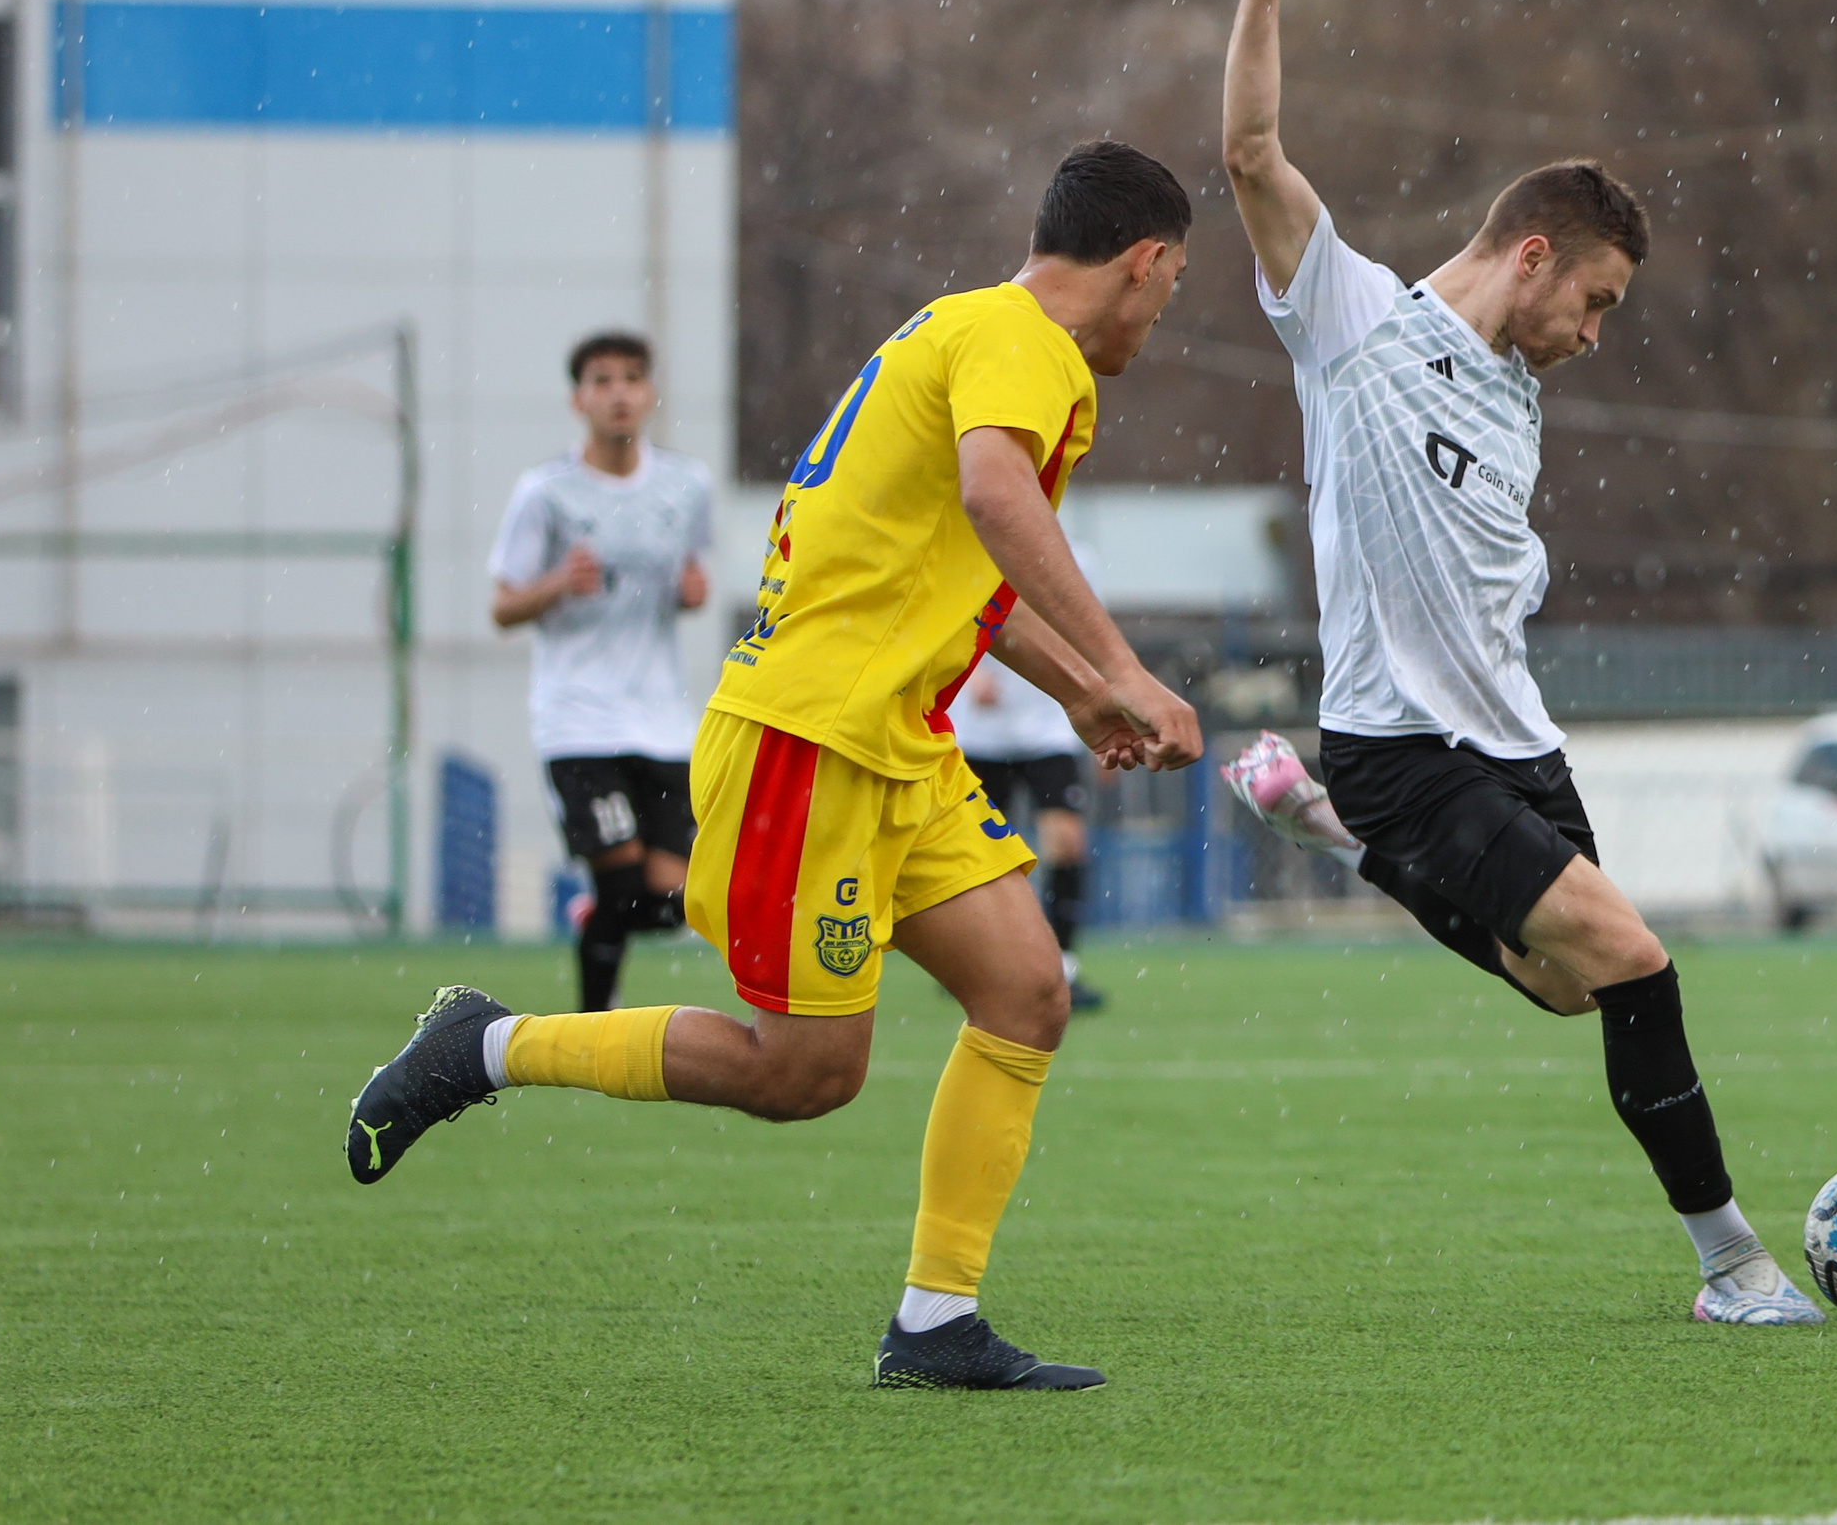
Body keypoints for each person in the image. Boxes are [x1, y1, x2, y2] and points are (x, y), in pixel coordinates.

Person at [348, 141, 1206, 1389]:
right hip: (809, 742)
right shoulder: (1027, 344)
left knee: (1026, 992)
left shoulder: (969, 333)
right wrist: (1127, 669)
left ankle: (934, 1323)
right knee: (802, 1076)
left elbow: (962, 554)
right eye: (1174, 282)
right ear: (1144, 261)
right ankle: (485, 1046)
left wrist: (1079, 693)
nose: (1167, 308)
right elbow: (994, 500)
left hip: (895, 743)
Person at [1219, 0, 1825, 1325]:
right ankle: (1733, 1263)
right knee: (1636, 957)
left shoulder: (1517, 397)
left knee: (1566, 988)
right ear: (1537, 254)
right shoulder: (1354, 324)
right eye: (1598, 301)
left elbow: (1484, 558)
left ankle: (1324, 828)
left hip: (1514, 746)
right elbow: (1250, 154)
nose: (1595, 335)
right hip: (1402, 743)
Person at [488, 331, 714, 1012]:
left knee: (676, 904)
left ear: (649, 393)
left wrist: (691, 592)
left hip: (663, 723)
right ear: (578, 398)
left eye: (632, 378)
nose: (619, 393)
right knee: (621, 888)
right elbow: (502, 604)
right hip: (579, 720)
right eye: (602, 380)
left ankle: (596, 925)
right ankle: (593, 1024)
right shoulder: (546, 492)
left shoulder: (686, 485)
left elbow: (692, 577)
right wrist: (557, 582)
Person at [949, 550, 1105, 1013]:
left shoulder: (1074, 555)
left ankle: (1063, 965)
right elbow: (941, 612)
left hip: (1048, 727)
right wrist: (969, 673)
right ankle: (977, 965)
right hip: (980, 730)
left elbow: (1091, 636)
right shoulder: (969, 537)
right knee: (978, 855)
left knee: (1067, 842)